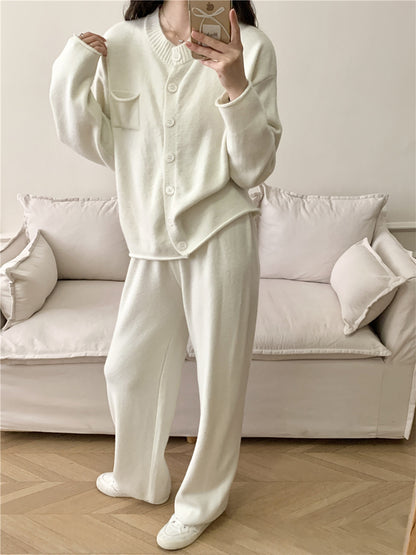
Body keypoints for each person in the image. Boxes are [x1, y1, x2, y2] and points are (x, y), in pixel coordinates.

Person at [49, 0, 282, 549]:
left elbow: (253, 168)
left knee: (219, 384)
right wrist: (70, 70)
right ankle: (140, 479)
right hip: (150, 241)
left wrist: (234, 83)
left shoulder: (252, 47)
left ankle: (202, 502)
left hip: (220, 234)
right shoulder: (124, 41)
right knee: (127, 370)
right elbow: (102, 144)